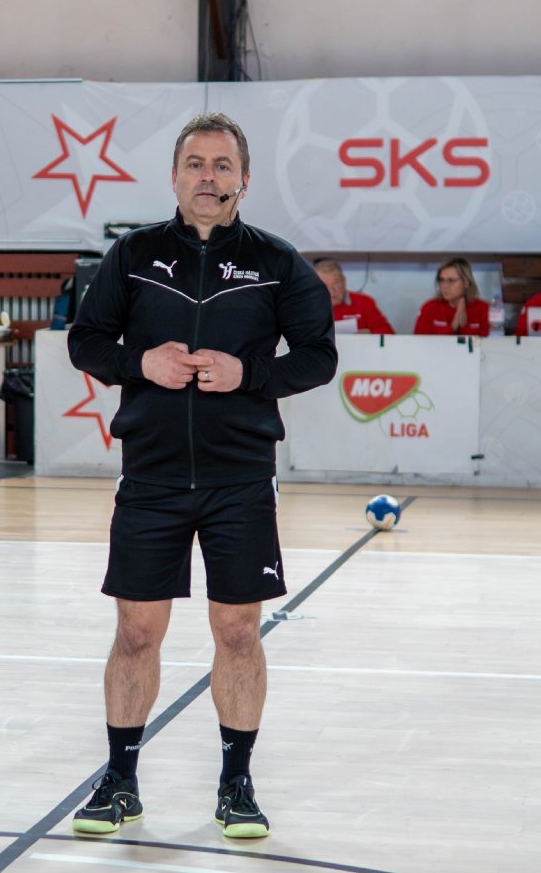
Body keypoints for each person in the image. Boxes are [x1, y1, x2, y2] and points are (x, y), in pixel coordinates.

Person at [67, 112, 337, 840]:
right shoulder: (134, 254)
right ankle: (120, 781)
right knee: (135, 631)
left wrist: (250, 374)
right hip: (150, 476)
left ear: (243, 179)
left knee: (239, 631)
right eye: (195, 164)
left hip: (240, 478)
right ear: (175, 176)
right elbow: (85, 341)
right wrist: (140, 362)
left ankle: (236, 784)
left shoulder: (277, 262)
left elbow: (319, 356)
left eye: (221, 166)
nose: (208, 177)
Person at [313, 259, 395, 335]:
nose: (331, 290)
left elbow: (389, 334)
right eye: (325, 285)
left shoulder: (364, 302)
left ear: (344, 281)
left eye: (336, 283)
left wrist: (370, 334)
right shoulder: (308, 306)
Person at [413, 257, 490, 336]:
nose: (445, 286)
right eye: (442, 280)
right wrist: (453, 326)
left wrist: (463, 326)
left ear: (466, 283)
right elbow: (418, 341)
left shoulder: (485, 309)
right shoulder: (429, 308)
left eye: (451, 280)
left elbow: (489, 341)